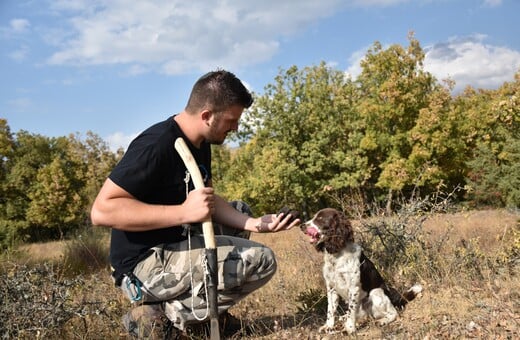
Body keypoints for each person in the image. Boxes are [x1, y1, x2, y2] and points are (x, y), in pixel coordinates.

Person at [90, 70, 300, 338]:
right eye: (231, 120)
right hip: (142, 265)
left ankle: (202, 311)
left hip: (175, 244)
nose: (235, 128)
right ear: (206, 115)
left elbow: (207, 201)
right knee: (261, 260)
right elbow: (101, 211)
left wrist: (256, 224)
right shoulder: (155, 146)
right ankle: (160, 317)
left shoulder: (200, 143)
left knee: (240, 211)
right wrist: (182, 212)